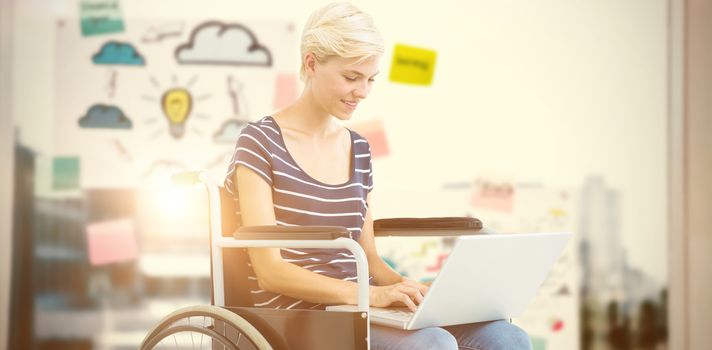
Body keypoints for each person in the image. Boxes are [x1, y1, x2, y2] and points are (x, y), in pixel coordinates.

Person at [224, 2, 532, 349]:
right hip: (302, 317)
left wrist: (412, 292)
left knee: (506, 336)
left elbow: (369, 260)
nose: (363, 92)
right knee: (433, 343)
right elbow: (269, 270)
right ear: (311, 63)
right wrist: (370, 295)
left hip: (362, 305)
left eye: (370, 79)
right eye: (351, 77)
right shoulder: (259, 140)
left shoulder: (358, 148)